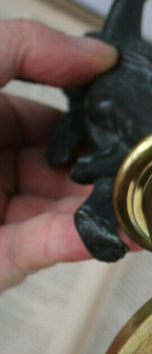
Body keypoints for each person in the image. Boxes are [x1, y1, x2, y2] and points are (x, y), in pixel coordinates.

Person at [0, 18, 118, 293]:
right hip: (97, 139)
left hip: (103, 138)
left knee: (105, 176)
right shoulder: (83, 107)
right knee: (104, 177)